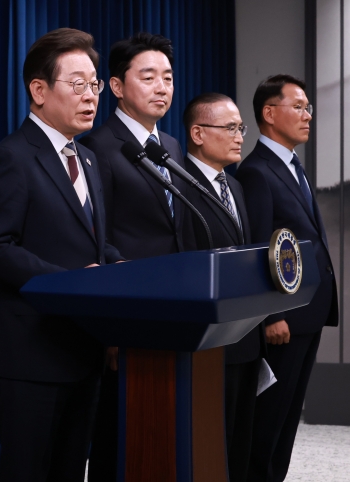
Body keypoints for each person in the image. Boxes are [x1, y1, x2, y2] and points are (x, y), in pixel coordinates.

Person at [0, 28, 123, 481]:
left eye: (94, 84)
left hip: (83, 350)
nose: (91, 96)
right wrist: (70, 283)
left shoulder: (88, 159)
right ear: (38, 90)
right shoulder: (12, 157)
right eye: (77, 84)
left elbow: (92, 242)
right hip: (31, 354)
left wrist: (121, 268)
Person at [79, 32, 190, 481]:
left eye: (168, 77)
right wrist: (111, 328)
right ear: (117, 87)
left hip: (172, 311)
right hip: (128, 317)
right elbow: (98, 240)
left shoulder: (172, 148)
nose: (162, 87)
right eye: (148, 77)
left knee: (162, 437)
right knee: (117, 440)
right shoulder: (98, 148)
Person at [236, 74, 338, 482]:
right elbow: (257, 247)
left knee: (288, 422)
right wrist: (271, 316)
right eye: (298, 106)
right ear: (269, 112)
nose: (307, 115)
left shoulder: (292, 166)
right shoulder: (257, 172)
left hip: (308, 314)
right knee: (268, 422)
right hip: (283, 322)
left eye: (308, 107)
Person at [182, 93, 264, 482]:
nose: (240, 137)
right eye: (230, 128)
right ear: (198, 133)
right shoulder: (179, 184)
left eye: (241, 128)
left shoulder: (235, 185)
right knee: (210, 447)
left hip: (244, 335)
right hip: (208, 340)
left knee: (239, 443)